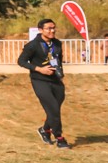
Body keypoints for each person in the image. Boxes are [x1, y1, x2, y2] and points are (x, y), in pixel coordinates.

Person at [17, 18, 70, 149]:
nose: (52, 30)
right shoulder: (33, 45)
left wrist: (60, 73)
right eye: (49, 28)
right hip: (40, 81)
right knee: (53, 109)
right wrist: (40, 69)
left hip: (56, 80)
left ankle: (45, 129)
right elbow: (21, 61)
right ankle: (59, 138)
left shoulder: (57, 43)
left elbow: (58, 59)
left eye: (54, 28)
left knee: (54, 110)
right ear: (41, 30)